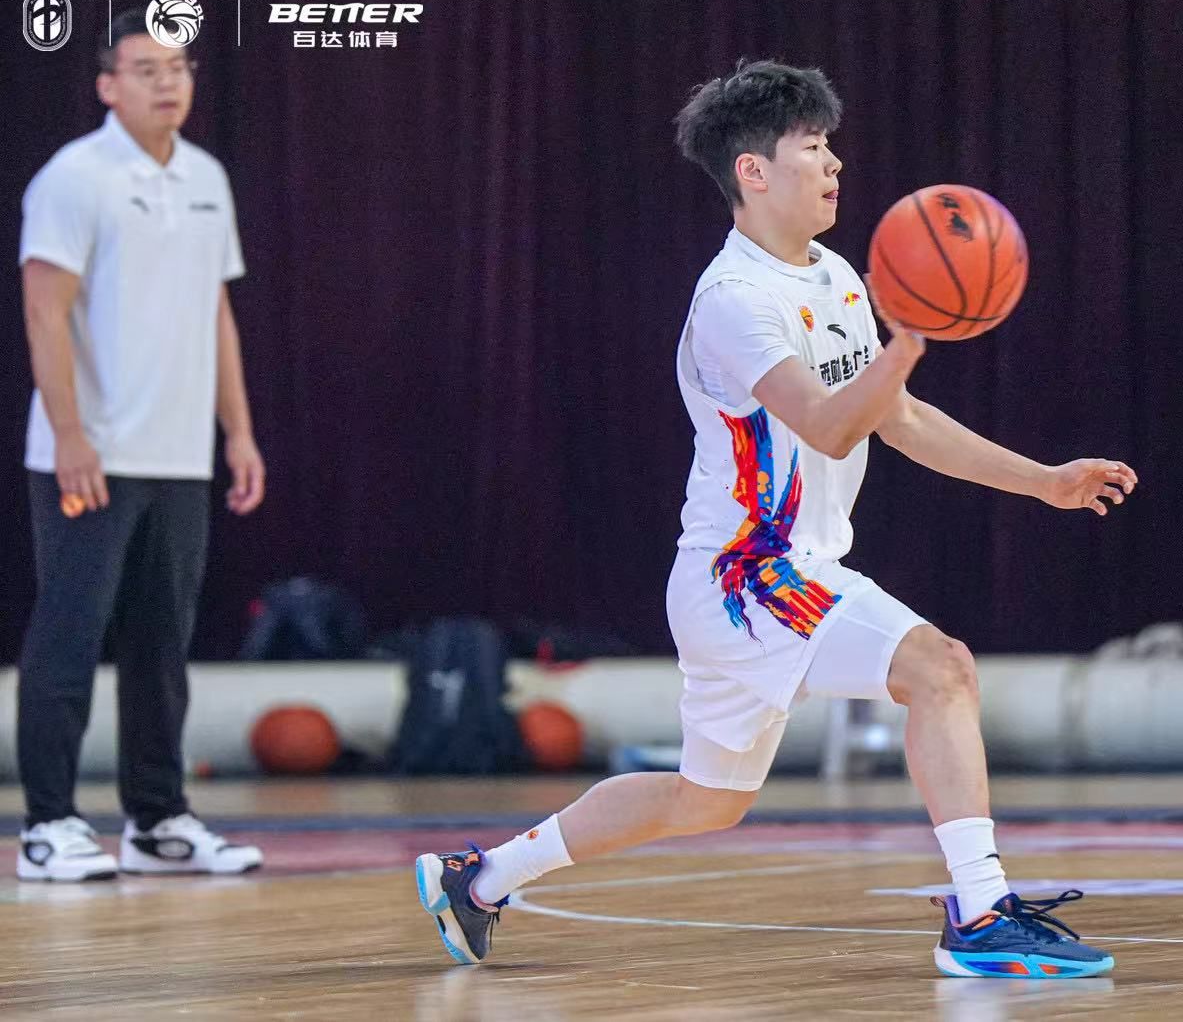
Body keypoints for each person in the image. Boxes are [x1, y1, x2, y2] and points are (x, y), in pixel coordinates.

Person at [413, 60, 1138, 977]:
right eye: (814, 146)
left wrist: (1042, 481)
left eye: (832, 146)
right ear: (753, 171)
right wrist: (908, 341)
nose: (835, 164)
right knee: (942, 667)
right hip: (749, 574)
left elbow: (899, 420)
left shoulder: (835, 275)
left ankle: (479, 878)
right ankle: (983, 910)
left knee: (706, 801)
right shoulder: (733, 301)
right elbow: (831, 425)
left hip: (772, 576)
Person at [15, 10, 265, 881]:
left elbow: (216, 311)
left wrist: (237, 430)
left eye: (179, 67)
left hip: (178, 457)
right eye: (145, 68)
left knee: (162, 647)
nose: (167, 82)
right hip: (90, 455)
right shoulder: (73, 177)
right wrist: (71, 433)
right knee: (70, 636)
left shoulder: (206, 178)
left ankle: (157, 821)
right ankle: (48, 824)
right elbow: (43, 311)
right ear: (106, 85)